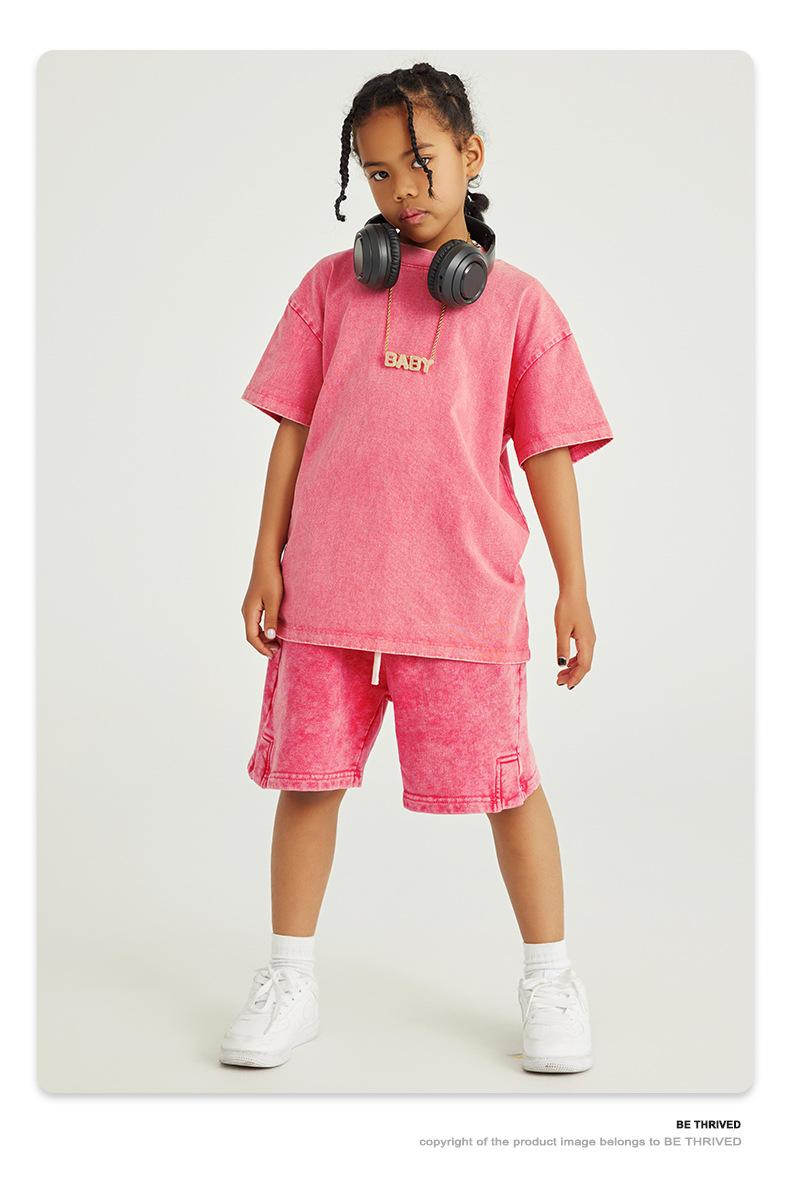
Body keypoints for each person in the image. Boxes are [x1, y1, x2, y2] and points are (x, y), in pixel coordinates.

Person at [219, 62, 614, 1074]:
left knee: (508, 788)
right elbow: (291, 427)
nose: (402, 190)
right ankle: (290, 978)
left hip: (461, 603)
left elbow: (548, 453)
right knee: (307, 784)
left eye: (421, 163)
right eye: (379, 173)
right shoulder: (331, 288)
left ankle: (550, 978)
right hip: (329, 598)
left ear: (471, 156)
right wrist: (265, 558)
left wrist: (573, 585)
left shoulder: (519, 307)